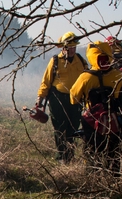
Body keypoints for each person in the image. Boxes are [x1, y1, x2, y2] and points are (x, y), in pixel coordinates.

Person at [70, 40, 122, 175]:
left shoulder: (85, 77)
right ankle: (114, 177)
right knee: (113, 150)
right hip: (112, 118)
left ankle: (92, 177)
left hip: (91, 119)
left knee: (91, 150)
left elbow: (73, 99)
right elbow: (117, 95)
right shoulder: (118, 75)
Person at [36, 31, 87, 162]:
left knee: (74, 127)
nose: (72, 50)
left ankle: (69, 155)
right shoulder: (55, 61)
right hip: (58, 99)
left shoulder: (81, 61)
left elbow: (88, 79)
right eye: (69, 47)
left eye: (74, 47)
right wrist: (40, 99)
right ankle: (61, 155)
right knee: (60, 127)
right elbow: (46, 82)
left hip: (76, 100)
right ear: (63, 48)